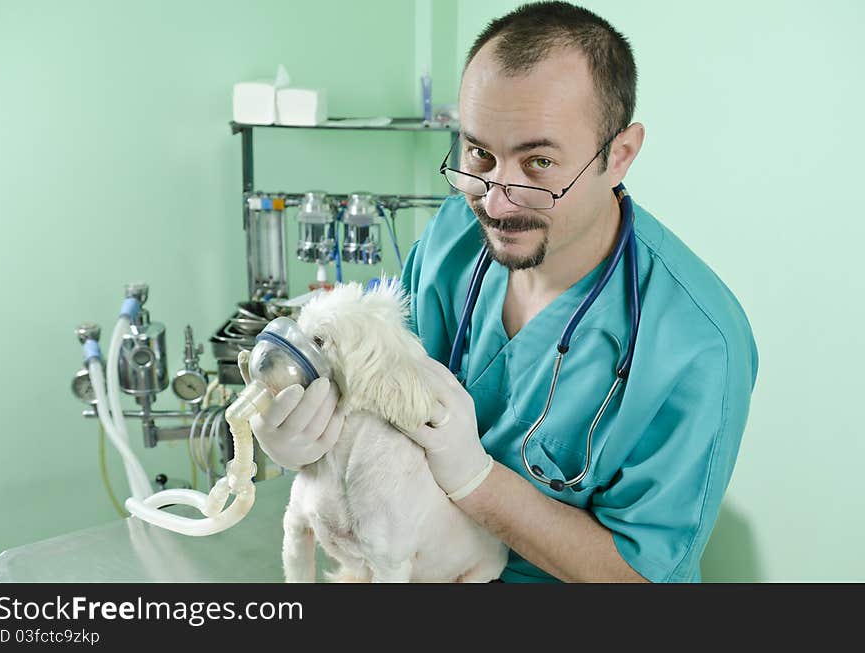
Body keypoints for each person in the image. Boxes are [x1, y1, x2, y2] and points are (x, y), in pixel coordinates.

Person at [248, 1, 758, 583]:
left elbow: (641, 579)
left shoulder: (695, 343)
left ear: (618, 156)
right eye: (479, 154)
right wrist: (308, 441)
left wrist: (477, 482)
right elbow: (375, 407)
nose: (494, 202)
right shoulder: (451, 241)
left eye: (539, 162)